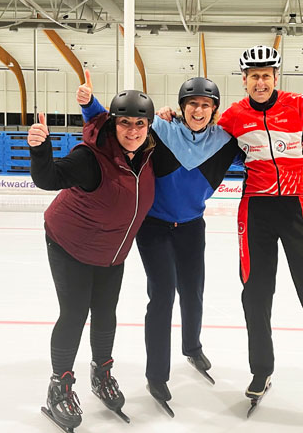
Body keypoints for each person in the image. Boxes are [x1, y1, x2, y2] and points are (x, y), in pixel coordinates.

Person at [216, 45, 303, 433]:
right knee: (255, 296)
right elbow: (202, 137)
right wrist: (171, 117)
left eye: (266, 76)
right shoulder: (233, 115)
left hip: (297, 207)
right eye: (253, 76)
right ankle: (261, 370)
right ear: (244, 80)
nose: (260, 82)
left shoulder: (297, 106)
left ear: (275, 78)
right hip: (256, 210)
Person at [77, 73, 240, 415]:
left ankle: (192, 347)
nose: (199, 109)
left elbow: (260, 151)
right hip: (154, 227)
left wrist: (297, 144)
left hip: (192, 226)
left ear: (214, 110)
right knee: (163, 294)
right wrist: (89, 103)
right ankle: (156, 374)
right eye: (192, 103)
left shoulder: (224, 142)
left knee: (193, 291)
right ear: (182, 107)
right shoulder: (160, 132)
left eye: (206, 105)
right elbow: (119, 125)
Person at [28, 90, 156, 433]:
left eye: (140, 123)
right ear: (113, 125)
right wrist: (40, 149)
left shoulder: (147, 154)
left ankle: (102, 373)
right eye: (125, 123)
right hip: (70, 244)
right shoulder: (91, 157)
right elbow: (49, 179)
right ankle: (60, 385)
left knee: (105, 312)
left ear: (149, 126)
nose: (132, 130)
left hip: (112, 252)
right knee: (75, 313)